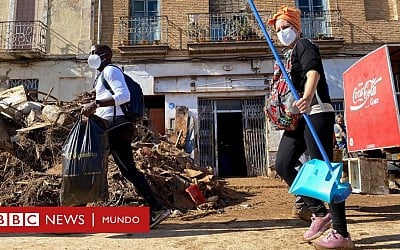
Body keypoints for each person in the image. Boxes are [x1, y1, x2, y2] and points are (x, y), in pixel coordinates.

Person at [268, 6, 355, 249]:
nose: (282, 33)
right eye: (278, 30)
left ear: (297, 27)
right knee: (284, 164)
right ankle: (318, 212)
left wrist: (306, 97)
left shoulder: (305, 45)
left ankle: (341, 233)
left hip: (316, 114)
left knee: (325, 172)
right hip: (298, 119)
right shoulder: (288, 54)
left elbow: (313, 72)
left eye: (286, 27)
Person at [81, 44, 170, 229]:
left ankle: (75, 215)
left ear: (106, 55)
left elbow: (124, 96)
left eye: (94, 53)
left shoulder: (111, 71)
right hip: (112, 126)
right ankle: (157, 207)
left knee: (90, 165)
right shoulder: (102, 75)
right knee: (126, 170)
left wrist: (95, 104)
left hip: (115, 126)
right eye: (90, 53)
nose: (91, 56)